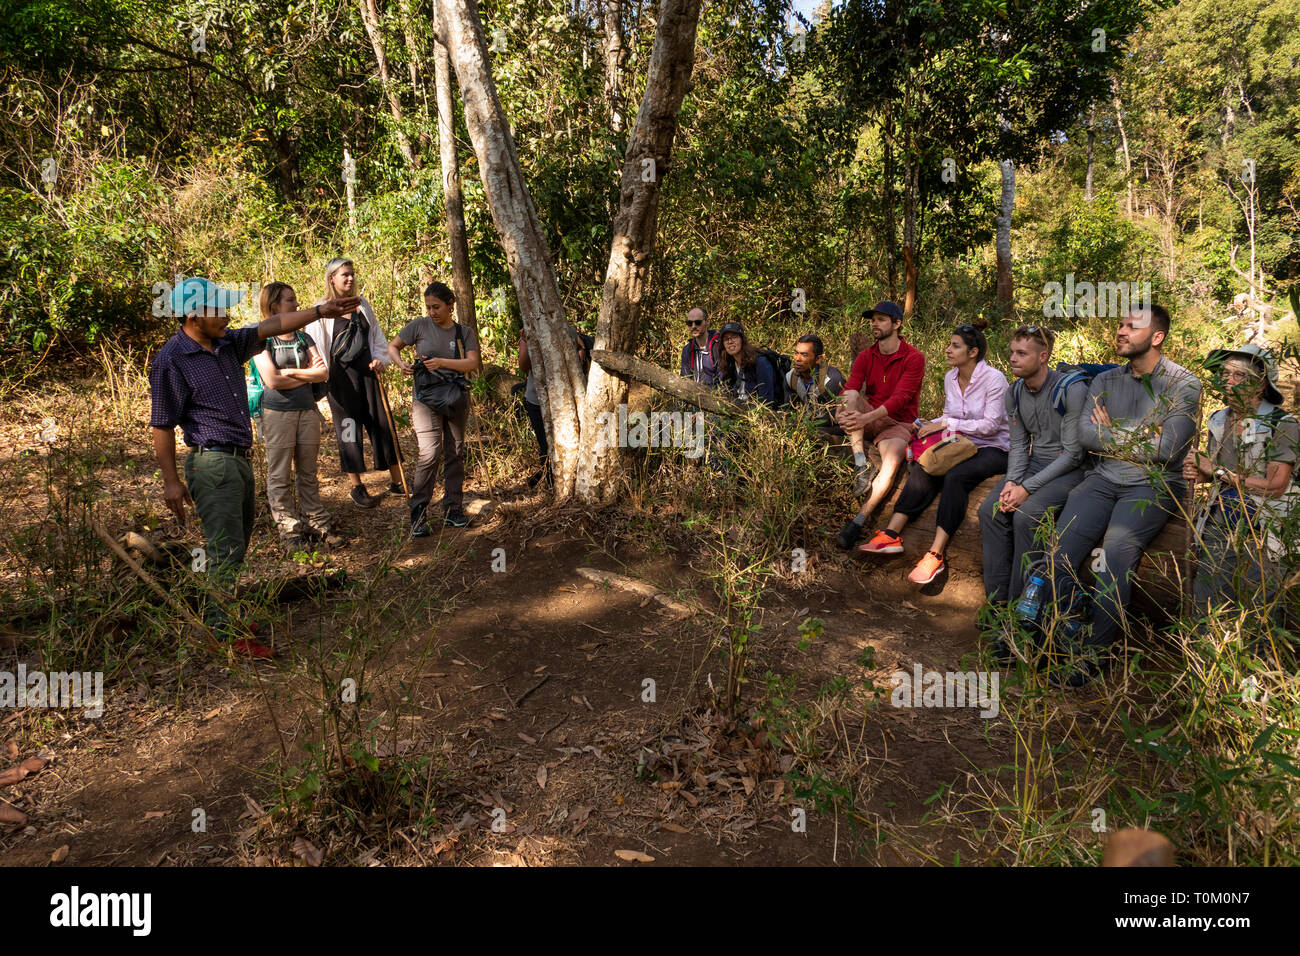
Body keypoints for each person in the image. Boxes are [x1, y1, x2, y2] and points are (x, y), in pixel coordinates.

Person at [149, 276, 359, 656]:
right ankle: (224, 635)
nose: (227, 316)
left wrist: (318, 311)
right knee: (224, 550)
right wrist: (171, 482)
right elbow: (162, 424)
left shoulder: (227, 343)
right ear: (194, 316)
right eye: (218, 310)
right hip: (211, 462)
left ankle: (224, 615)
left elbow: (270, 326)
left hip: (239, 461)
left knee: (236, 546)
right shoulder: (171, 360)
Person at [1040, 305, 1202, 687]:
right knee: (1058, 551)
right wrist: (1144, 435)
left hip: (1153, 485)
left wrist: (1114, 433)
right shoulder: (1106, 380)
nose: (1121, 331)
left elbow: (1169, 450)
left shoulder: (1184, 383)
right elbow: (1085, 436)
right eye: (1121, 324)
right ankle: (1062, 637)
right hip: (1103, 478)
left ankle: (1094, 655)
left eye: (1133, 326)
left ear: (1157, 336)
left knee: (1114, 558)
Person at [858, 324, 1010, 586]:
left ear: (973, 352)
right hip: (959, 442)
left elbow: (990, 426)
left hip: (993, 447)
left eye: (955, 346)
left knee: (956, 476)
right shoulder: (951, 377)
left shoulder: (994, 379)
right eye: (949, 344)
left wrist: (946, 425)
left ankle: (935, 554)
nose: (948, 350)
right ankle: (891, 534)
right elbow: (951, 416)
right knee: (927, 463)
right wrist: (929, 423)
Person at [977, 325, 1087, 622]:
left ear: (1043, 356)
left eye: (1021, 353)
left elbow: (1074, 453)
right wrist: (1013, 480)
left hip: (1071, 470)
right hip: (1035, 463)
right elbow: (1018, 443)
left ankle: (1020, 614)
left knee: (1027, 517)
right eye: (1012, 351)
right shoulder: (1014, 392)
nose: (1013, 358)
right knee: (991, 510)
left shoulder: (1071, 389)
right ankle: (996, 603)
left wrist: (1027, 488)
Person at [1184, 343, 1298, 618]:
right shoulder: (1219, 419)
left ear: (1260, 385)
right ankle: (1205, 654)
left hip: (1268, 525)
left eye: (1239, 376)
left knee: (1263, 604)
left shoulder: (1282, 423)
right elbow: (1219, 471)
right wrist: (1199, 474)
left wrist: (1217, 471)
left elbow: (1275, 486)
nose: (1228, 381)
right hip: (1222, 517)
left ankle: (1263, 659)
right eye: (1224, 374)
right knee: (1208, 597)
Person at [252, 283, 345, 551]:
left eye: (294, 300)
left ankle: (317, 523)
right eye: (289, 301)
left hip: (307, 411)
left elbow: (323, 373)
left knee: (308, 472)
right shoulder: (262, 341)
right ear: (274, 307)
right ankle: (289, 529)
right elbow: (271, 380)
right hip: (277, 413)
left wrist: (290, 374)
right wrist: (304, 374)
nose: (295, 305)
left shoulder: (305, 339)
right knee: (279, 474)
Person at [305, 258, 404, 508]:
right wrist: (322, 376)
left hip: (368, 374)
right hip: (340, 379)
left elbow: (377, 337)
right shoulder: (321, 310)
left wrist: (381, 360)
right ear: (331, 278)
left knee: (382, 424)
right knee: (348, 429)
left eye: (352, 274)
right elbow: (314, 345)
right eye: (344, 275)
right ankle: (357, 487)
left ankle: (397, 480)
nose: (350, 279)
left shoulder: (362, 306)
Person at [388, 282, 481, 534]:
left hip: (455, 397)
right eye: (428, 307)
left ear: (450, 305)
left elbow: (472, 363)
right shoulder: (418, 326)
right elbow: (393, 346)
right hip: (425, 398)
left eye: (437, 307)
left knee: (456, 452)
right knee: (429, 453)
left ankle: (453, 509)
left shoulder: (464, 332)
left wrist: (441, 362)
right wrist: (402, 364)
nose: (432, 312)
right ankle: (418, 513)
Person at [834, 301, 925, 550]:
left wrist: (864, 419)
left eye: (882, 319)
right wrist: (839, 411)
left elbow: (901, 399)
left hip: (898, 422)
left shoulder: (914, 357)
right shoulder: (866, 355)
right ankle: (861, 464)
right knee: (850, 396)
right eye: (873, 319)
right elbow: (851, 387)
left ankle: (859, 520)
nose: (875, 323)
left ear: (897, 324)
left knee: (893, 460)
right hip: (870, 415)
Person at [787, 334, 846, 431]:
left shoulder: (832, 380)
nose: (797, 359)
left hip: (834, 429)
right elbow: (788, 410)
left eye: (804, 355)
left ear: (818, 359)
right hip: (807, 425)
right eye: (796, 353)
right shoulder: (790, 377)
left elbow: (836, 418)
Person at [713, 321, 777, 406]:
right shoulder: (729, 363)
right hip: (736, 410)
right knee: (697, 417)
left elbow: (767, 401)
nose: (730, 341)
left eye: (734, 337)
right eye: (726, 339)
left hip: (755, 413)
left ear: (742, 340)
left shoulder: (760, 363)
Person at [680, 307, 718, 387]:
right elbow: (685, 378)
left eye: (698, 322)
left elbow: (724, 379)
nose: (693, 326)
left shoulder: (718, 345)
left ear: (707, 321)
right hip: (694, 395)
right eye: (690, 323)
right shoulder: (687, 350)